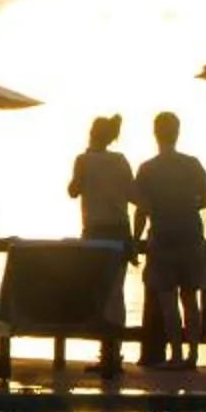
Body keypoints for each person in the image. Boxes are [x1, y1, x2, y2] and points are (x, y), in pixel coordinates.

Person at [132, 112, 206, 369]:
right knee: (190, 299)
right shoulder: (193, 164)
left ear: (155, 133)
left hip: (163, 238)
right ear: (178, 133)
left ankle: (176, 355)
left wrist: (135, 240)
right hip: (191, 235)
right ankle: (193, 355)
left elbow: (141, 209)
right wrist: (185, 206)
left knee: (168, 301)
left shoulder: (148, 169)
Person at [66, 115, 135, 377]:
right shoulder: (121, 161)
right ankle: (113, 353)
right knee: (116, 294)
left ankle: (105, 353)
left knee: (99, 294)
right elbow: (132, 194)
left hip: (95, 232)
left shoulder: (84, 160)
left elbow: (73, 191)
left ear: (92, 133)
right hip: (120, 231)